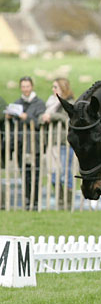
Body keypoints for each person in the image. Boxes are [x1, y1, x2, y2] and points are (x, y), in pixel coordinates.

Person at [4, 77, 45, 209]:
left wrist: (26, 117)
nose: (25, 89)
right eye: (23, 87)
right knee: (24, 173)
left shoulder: (39, 103)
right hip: (21, 144)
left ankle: (36, 201)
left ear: (32, 86)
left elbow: (40, 122)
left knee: (35, 173)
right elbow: (13, 123)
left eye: (27, 86)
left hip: (34, 146)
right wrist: (10, 117)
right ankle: (27, 200)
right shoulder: (17, 103)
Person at [39, 78, 75, 207]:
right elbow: (42, 116)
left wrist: (52, 116)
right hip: (52, 142)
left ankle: (68, 201)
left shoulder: (70, 103)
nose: (53, 89)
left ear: (63, 88)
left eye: (56, 87)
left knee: (65, 173)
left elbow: (69, 119)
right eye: (52, 87)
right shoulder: (51, 103)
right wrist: (43, 118)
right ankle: (60, 199)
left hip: (64, 143)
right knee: (53, 174)